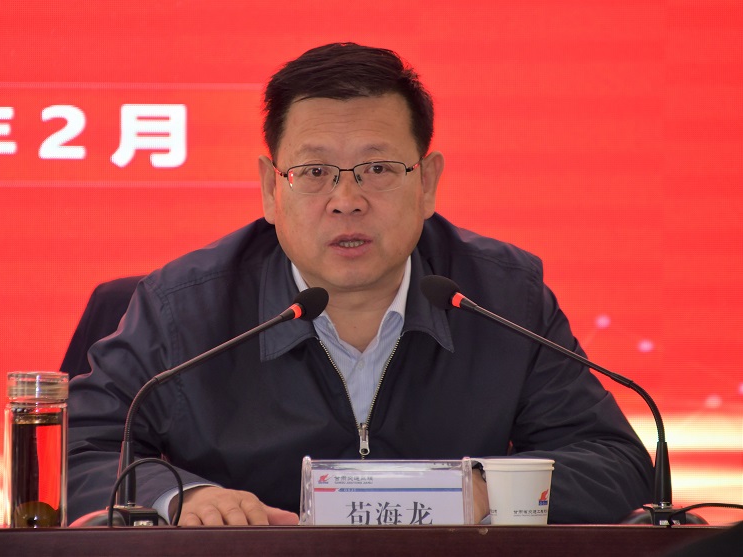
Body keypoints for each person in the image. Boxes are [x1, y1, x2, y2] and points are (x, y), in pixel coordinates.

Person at [67, 42, 653, 526]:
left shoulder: (503, 296)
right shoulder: (184, 309)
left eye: (377, 169)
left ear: (427, 182)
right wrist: (180, 497)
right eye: (314, 172)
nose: (346, 200)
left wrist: (483, 490)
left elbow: (615, 462)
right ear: (271, 189)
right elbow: (75, 447)